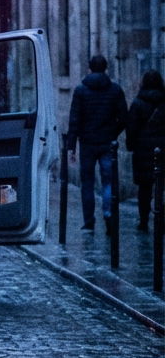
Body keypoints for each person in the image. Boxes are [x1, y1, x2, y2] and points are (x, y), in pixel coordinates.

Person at [67, 54, 128, 234]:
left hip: (87, 143)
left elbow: (74, 120)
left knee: (87, 183)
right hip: (107, 142)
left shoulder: (80, 91)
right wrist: (113, 132)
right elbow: (124, 117)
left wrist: (71, 146)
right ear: (105, 68)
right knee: (108, 182)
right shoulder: (115, 90)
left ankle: (89, 221)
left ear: (90, 68)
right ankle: (108, 214)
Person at [126, 70, 165, 232]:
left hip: (143, 150)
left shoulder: (137, 103)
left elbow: (132, 128)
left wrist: (131, 145)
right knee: (161, 186)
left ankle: (143, 221)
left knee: (144, 188)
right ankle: (161, 219)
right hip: (162, 149)